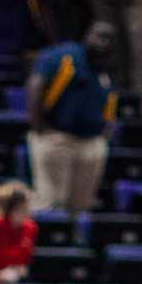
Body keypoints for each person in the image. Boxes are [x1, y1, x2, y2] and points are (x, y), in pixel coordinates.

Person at [25, 21, 116, 215]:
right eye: (99, 36)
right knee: (50, 204)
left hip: (91, 142)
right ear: (87, 35)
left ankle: (72, 243)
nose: (103, 43)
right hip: (56, 137)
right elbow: (36, 85)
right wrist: (38, 126)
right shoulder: (64, 57)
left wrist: (104, 135)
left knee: (80, 207)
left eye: (108, 39)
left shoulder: (105, 67)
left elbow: (110, 103)